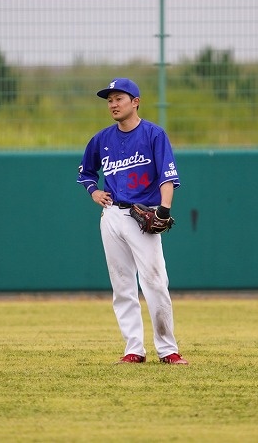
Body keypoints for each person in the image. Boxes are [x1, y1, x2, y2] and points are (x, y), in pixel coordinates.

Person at [76, 78, 188, 365]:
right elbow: (86, 172)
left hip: (143, 215)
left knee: (155, 282)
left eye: (119, 99)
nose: (113, 104)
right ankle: (134, 349)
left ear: (135, 102)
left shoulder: (154, 134)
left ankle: (168, 349)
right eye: (109, 100)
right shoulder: (101, 139)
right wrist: (94, 191)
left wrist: (164, 210)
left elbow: (167, 176)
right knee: (122, 285)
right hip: (112, 215)